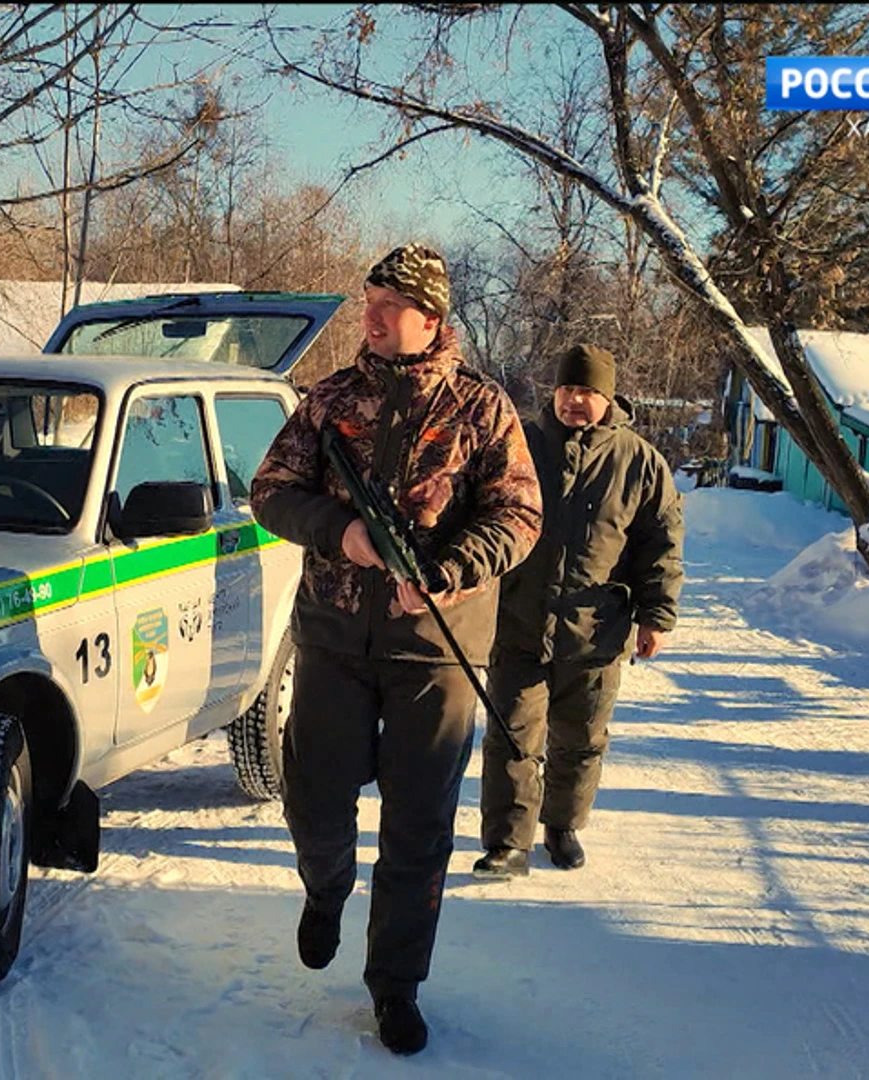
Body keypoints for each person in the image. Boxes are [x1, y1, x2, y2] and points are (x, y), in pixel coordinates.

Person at [249, 244, 543, 1056]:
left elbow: (519, 516)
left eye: (389, 306)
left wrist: (452, 569)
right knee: (312, 796)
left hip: (434, 652)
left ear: (432, 320)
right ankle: (326, 888)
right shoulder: (329, 399)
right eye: (367, 301)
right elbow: (270, 492)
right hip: (336, 638)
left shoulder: (483, 410)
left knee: (419, 828)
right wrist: (343, 533)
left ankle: (395, 986)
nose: (371, 318)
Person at [475, 343, 684, 878]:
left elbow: (660, 544)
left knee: (581, 737)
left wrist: (655, 616)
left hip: (595, 630)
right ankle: (507, 841)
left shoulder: (640, 462)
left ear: (607, 398)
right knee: (512, 734)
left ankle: (562, 825)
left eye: (587, 392)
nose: (574, 401)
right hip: (520, 618)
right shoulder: (518, 444)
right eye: (567, 390)